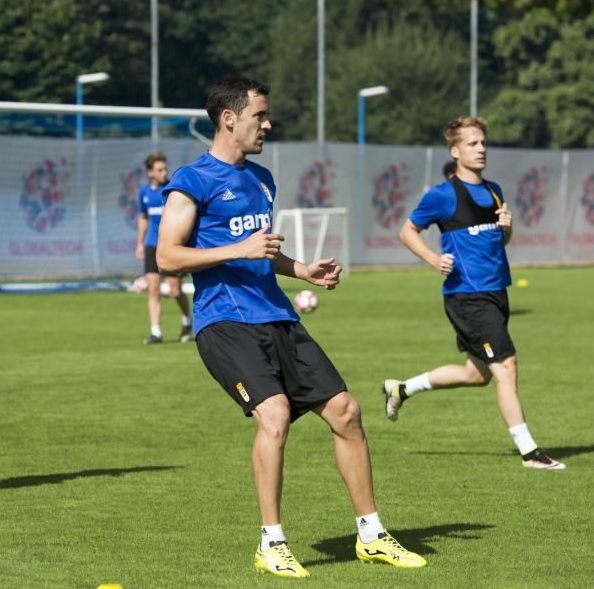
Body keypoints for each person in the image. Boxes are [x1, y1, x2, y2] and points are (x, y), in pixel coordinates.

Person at [157, 77, 426, 578]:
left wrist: (300, 269)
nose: (268, 124)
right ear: (229, 119)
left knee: (347, 410)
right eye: (259, 115)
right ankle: (271, 543)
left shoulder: (262, 179)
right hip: (224, 323)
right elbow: (167, 255)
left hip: (277, 315)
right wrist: (239, 250)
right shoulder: (191, 180)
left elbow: (263, 252)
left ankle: (371, 535)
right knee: (275, 414)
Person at [384, 116, 564, 470]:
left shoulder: (494, 190)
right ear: (455, 151)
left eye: (483, 143)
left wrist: (506, 229)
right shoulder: (442, 195)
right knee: (506, 368)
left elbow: (500, 242)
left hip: (497, 292)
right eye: (471, 144)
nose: (480, 149)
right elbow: (407, 231)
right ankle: (529, 452)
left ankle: (401, 389)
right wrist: (434, 259)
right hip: (468, 297)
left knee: (476, 375)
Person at [136, 152, 192, 344]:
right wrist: (140, 243)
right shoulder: (144, 193)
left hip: (171, 246)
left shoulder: (173, 190)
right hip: (152, 246)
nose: (164, 172)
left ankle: (187, 321)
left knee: (175, 291)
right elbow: (143, 217)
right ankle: (156, 332)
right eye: (159, 169)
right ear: (150, 173)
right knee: (153, 290)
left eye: (165, 168)